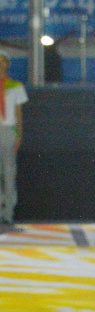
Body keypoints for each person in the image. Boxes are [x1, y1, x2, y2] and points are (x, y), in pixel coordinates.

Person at [0, 51, 26, 225]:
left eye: (3, 61)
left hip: (8, 130)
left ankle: (8, 211)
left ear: (8, 64)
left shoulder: (16, 86)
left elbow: (18, 113)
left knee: (9, 172)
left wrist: (19, 134)